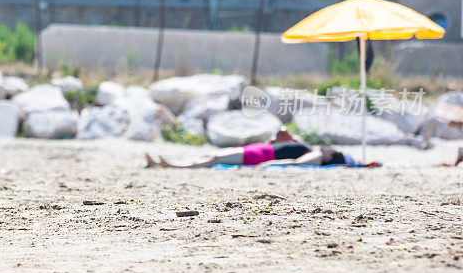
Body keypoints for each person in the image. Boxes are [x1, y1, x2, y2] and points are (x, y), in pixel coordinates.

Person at [145, 128, 378, 168]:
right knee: (211, 156)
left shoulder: (315, 155)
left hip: (257, 155)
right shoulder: (305, 147)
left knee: (214, 157)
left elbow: (294, 164)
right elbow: (282, 135)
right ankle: (167, 164)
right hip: (256, 150)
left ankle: (173, 165)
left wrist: (271, 164)